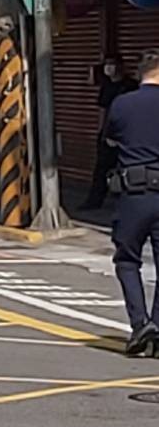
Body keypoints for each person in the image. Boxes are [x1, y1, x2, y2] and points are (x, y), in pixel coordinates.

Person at [104, 49, 159, 356]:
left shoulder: (123, 104)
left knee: (127, 259)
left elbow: (110, 138)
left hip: (134, 193)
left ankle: (140, 324)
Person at [82, 57, 138, 210]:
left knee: (129, 167)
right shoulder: (106, 86)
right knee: (102, 168)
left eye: (112, 64)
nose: (109, 68)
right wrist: (101, 132)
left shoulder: (130, 86)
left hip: (127, 133)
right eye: (107, 65)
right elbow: (102, 110)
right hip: (108, 132)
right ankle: (94, 201)